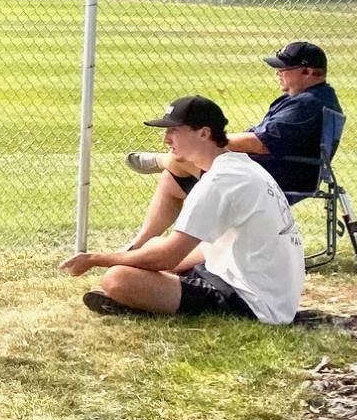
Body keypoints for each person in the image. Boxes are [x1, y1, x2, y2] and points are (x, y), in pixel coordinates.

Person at [64, 96, 304, 323]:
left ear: (204, 133)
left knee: (118, 279)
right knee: (151, 248)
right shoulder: (240, 167)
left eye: (173, 131)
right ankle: (150, 297)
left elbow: (167, 257)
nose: (166, 140)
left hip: (250, 302)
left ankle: (142, 303)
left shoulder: (219, 182)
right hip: (265, 290)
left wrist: (95, 259)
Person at [120, 40, 343, 248]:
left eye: (284, 68)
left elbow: (260, 143)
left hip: (278, 176)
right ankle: (139, 245)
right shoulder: (310, 98)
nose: (278, 72)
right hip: (278, 169)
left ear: (308, 72)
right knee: (172, 176)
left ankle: (161, 162)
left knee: (182, 158)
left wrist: (210, 141)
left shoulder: (307, 103)